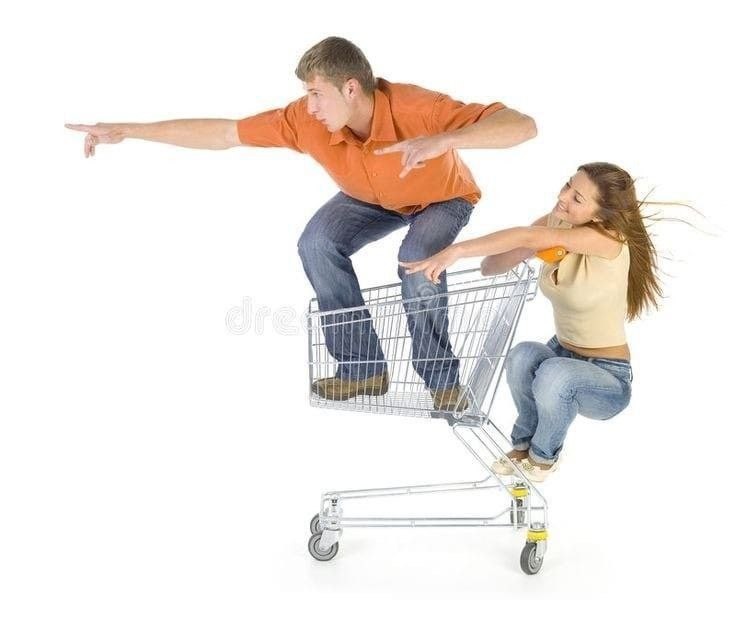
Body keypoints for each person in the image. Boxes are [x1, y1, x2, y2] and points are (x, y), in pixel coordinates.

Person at [65, 36, 537, 411]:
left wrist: (443, 141)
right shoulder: (303, 121)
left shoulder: (417, 107)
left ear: (352, 87)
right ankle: (362, 368)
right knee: (316, 242)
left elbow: (522, 126)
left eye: (317, 94)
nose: (309, 107)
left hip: (441, 198)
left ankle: (443, 383)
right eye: (306, 95)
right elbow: (223, 133)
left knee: (417, 262)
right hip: (372, 199)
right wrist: (129, 130)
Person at [401, 162, 661, 480]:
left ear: (599, 215)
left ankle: (543, 456)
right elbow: (491, 266)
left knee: (554, 373)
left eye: (578, 198)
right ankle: (522, 447)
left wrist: (455, 251)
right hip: (561, 354)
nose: (564, 196)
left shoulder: (608, 239)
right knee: (523, 355)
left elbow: (528, 234)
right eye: (568, 185)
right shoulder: (556, 225)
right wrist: (527, 248)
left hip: (607, 377)